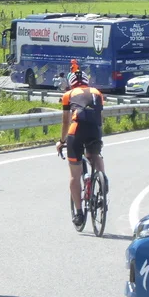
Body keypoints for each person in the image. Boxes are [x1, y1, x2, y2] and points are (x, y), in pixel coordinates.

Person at [55, 61, 106, 229]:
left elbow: (65, 121)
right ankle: (102, 181)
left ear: (71, 83)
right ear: (86, 81)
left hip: (76, 131)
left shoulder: (68, 94)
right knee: (94, 155)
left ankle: (78, 213)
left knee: (74, 175)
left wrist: (62, 141)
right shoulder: (97, 92)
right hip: (95, 130)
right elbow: (100, 117)